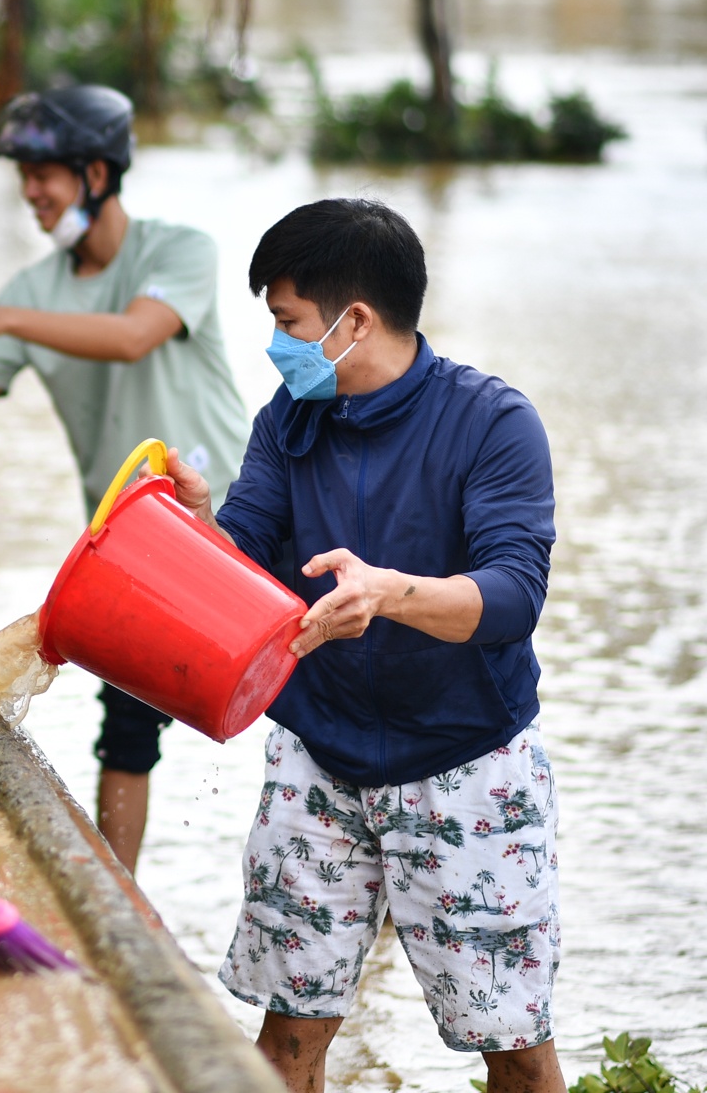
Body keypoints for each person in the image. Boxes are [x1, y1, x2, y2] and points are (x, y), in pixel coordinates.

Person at [164, 199, 562, 1093]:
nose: (277, 345)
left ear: (353, 322)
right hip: (319, 755)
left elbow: (512, 597)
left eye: (286, 323)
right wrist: (195, 528)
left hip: (465, 765)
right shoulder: (288, 421)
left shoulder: (493, 423)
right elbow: (246, 566)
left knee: (515, 1047)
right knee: (287, 1038)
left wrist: (390, 594)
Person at [0, 85, 249, 873]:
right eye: (23, 175)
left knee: (310, 696)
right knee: (124, 722)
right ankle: (121, 895)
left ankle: (371, 887)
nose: (31, 193)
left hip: (236, 516)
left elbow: (131, 337)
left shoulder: (177, 250)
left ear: (95, 172)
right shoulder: (31, 291)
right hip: (133, 540)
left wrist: (3, 317)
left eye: (43, 173)